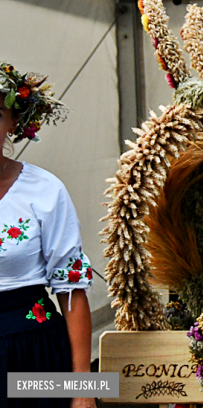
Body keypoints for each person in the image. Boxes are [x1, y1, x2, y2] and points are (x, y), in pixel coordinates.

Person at [0, 63, 95, 408]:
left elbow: (72, 289)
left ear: (13, 123)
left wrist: (83, 388)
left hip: (35, 355)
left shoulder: (45, 190)